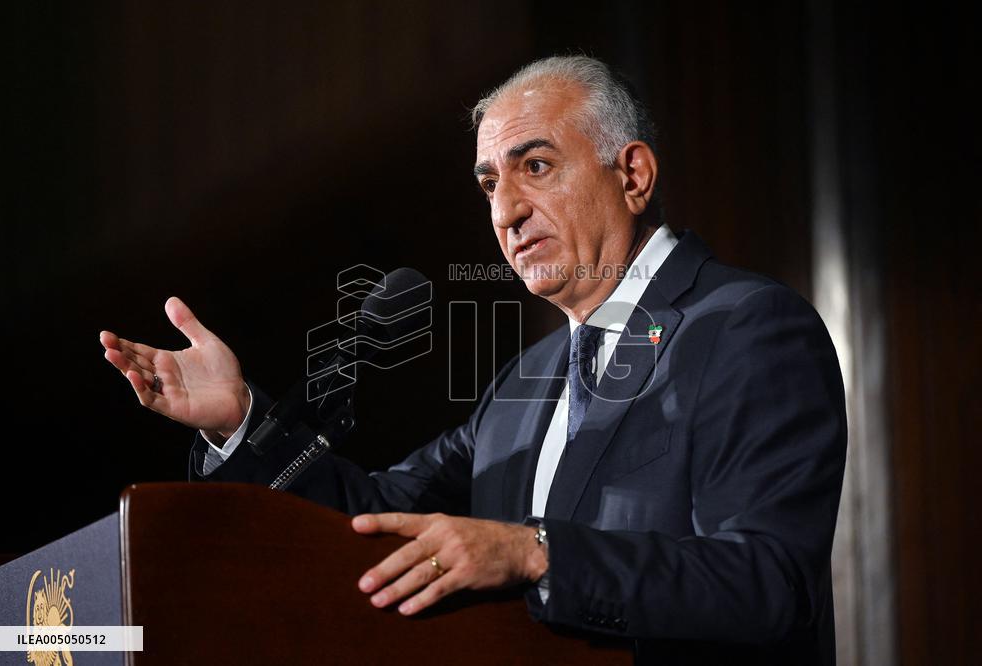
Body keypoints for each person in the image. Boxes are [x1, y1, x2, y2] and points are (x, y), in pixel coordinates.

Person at [100, 56, 846, 664]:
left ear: (633, 175)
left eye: (537, 166)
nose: (505, 212)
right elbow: (375, 520)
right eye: (490, 183)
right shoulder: (527, 380)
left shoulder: (748, 329)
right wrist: (242, 421)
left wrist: (536, 552)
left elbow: (769, 584)